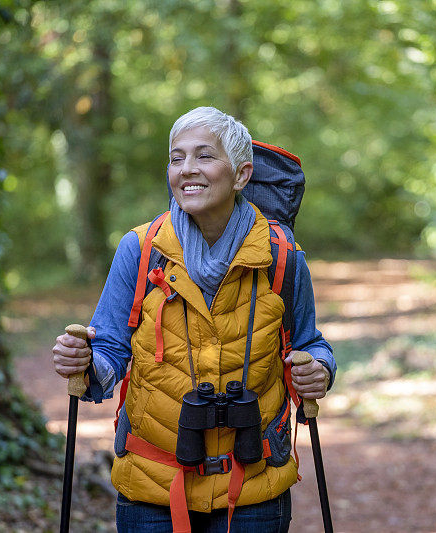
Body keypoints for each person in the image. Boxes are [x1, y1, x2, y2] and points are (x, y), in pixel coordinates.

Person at [51, 106, 336, 533]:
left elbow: (309, 345)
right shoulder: (142, 249)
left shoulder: (281, 257)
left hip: (254, 487)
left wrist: (319, 370)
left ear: (241, 175)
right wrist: (85, 361)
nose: (187, 169)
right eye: (176, 157)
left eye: (204, 156)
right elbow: (110, 348)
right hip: (153, 485)